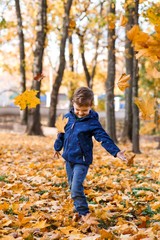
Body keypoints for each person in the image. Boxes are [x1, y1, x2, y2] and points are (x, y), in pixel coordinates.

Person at [53, 86, 126, 221]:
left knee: (75, 188)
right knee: (71, 186)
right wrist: (57, 147)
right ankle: (78, 206)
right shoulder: (66, 117)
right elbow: (60, 134)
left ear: (91, 106)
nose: (80, 113)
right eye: (77, 110)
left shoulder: (92, 122)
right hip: (69, 159)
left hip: (82, 160)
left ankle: (84, 214)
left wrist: (115, 152)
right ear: (73, 104)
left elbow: (103, 137)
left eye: (84, 110)